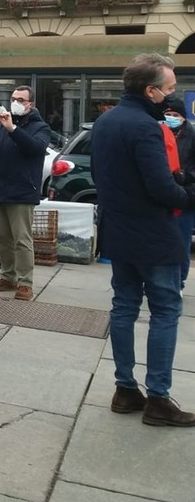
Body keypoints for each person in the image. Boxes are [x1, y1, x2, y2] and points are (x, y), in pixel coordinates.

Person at [91, 53, 195, 427]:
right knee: (166, 310)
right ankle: (158, 398)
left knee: (124, 306)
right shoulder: (145, 126)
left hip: (119, 230)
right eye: (168, 89)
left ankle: (125, 389)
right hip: (153, 233)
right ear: (150, 91)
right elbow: (161, 188)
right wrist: (188, 194)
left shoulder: (106, 121)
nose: (172, 95)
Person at [0, 85, 51, 301]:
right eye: (13, 98)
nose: (16, 102)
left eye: (21, 99)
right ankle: (8, 276)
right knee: (2, 237)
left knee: (22, 239)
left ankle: (25, 283)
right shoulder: (3, 123)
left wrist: (12, 129)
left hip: (21, 190)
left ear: (31, 104)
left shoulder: (40, 127)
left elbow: (35, 149)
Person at [162, 95, 195, 266]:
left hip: (185, 196)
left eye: (176, 115)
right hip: (161, 195)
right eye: (169, 114)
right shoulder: (158, 132)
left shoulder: (192, 135)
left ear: (183, 116)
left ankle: (179, 282)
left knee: (181, 242)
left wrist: (185, 175)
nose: (172, 118)